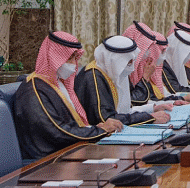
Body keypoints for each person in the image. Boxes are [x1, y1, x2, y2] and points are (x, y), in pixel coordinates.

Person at [14, 32, 123, 160]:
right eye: (69, 58)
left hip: (69, 150)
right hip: (48, 160)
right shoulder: (34, 89)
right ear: (53, 57)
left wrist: (95, 129)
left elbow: (70, 125)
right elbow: (57, 131)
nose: (74, 64)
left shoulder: (57, 83)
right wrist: (101, 130)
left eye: (75, 58)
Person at [76, 36, 170, 126]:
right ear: (114, 60)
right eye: (129, 62)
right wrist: (148, 118)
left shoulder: (117, 72)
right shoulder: (93, 77)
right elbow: (107, 119)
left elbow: (125, 111)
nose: (132, 68)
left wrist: (152, 109)